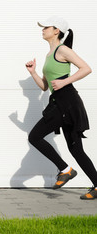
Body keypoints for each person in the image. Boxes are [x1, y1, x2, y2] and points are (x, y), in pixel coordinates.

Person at [25, 16, 97, 199]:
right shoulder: (49, 54)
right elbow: (44, 86)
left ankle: (65, 169)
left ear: (56, 31)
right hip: (59, 102)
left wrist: (65, 82)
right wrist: (33, 72)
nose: (42, 30)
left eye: (46, 27)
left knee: (34, 136)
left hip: (68, 103)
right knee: (76, 149)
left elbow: (86, 68)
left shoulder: (63, 49)